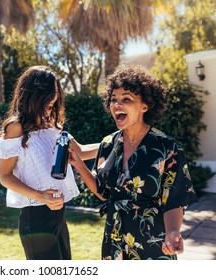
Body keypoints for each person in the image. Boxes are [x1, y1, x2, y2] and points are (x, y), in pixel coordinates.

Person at [68, 64, 198, 260]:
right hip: (114, 239)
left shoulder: (167, 147)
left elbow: (175, 199)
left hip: (152, 241)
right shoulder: (108, 144)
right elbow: (103, 192)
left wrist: (172, 232)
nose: (117, 104)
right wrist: (78, 163)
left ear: (144, 105)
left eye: (126, 99)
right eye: (113, 100)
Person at [0, 65, 99, 260]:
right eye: (51, 93)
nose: (55, 99)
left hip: (58, 215)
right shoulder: (16, 127)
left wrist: (117, 141)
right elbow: (5, 176)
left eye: (57, 93)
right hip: (35, 219)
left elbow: (80, 152)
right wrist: (40, 196)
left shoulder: (54, 125)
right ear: (35, 94)